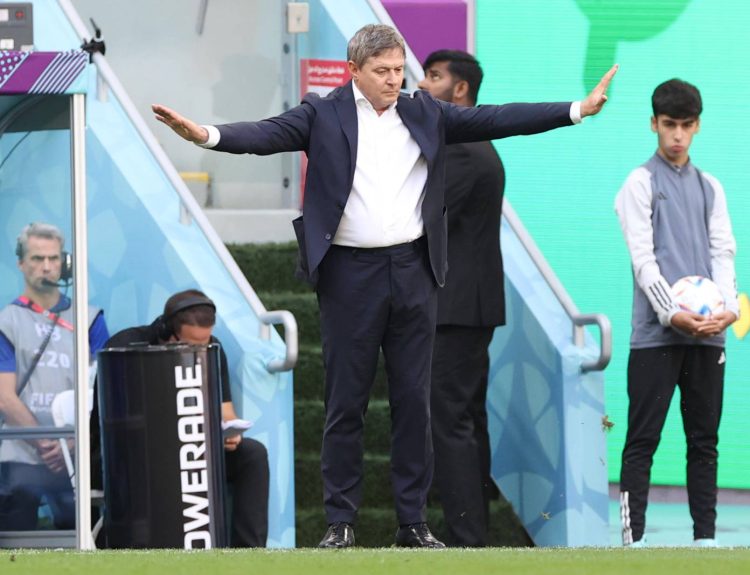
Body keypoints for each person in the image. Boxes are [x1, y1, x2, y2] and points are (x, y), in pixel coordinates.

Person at [152, 24, 617, 548]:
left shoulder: (425, 111)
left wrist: (576, 109)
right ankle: (340, 522)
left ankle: (412, 523)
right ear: (354, 70)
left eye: (399, 70)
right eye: (382, 71)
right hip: (349, 274)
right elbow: (265, 135)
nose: (394, 80)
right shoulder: (322, 113)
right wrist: (205, 135)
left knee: (413, 402)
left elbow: (497, 118)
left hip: (414, 270)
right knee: (345, 402)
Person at [615, 79, 739, 547]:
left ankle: (705, 541)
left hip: (708, 334)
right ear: (654, 124)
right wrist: (672, 313)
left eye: (687, 125)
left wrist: (728, 309)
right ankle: (633, 540)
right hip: (656, 337)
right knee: (642, 440)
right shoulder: (639, 182)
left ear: (698, 126)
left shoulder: (711, 187)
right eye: (670, 125)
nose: (678, 135)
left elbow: (723, 253)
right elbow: (643, 261)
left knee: (704, 442)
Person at [90, 289, 270, 547]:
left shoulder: (212, 349)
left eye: (206, 342)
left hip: (193, 449)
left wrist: (230, 435)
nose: (201, 349)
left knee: (252, 454)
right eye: (192, 345)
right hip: (131, 456)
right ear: (167, 332)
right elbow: (114, 426)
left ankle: (249, 554)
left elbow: (226, 412)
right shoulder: (125, 346)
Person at [416, 50, 504, 547]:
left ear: (461, 89)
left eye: (434, 77)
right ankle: (473, 533)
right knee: (466, 418)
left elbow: (428, 222)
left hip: (457, 309)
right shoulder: (472, 145)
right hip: (468, 307)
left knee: (451, 421)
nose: (422, 85)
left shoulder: (464, 150)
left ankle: (467, 537)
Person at [0, 222, 110, 530]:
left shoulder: (90, 318)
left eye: (53, 258)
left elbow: (103, 388)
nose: (46, 267)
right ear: (21, 264)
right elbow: (4, 396)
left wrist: (74, 442)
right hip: (21, 453)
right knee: (15, 537)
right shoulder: (7, 321)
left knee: (82, 534)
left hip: (78, 452)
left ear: (64, 263)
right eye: (37, 258)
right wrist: (47, 443)